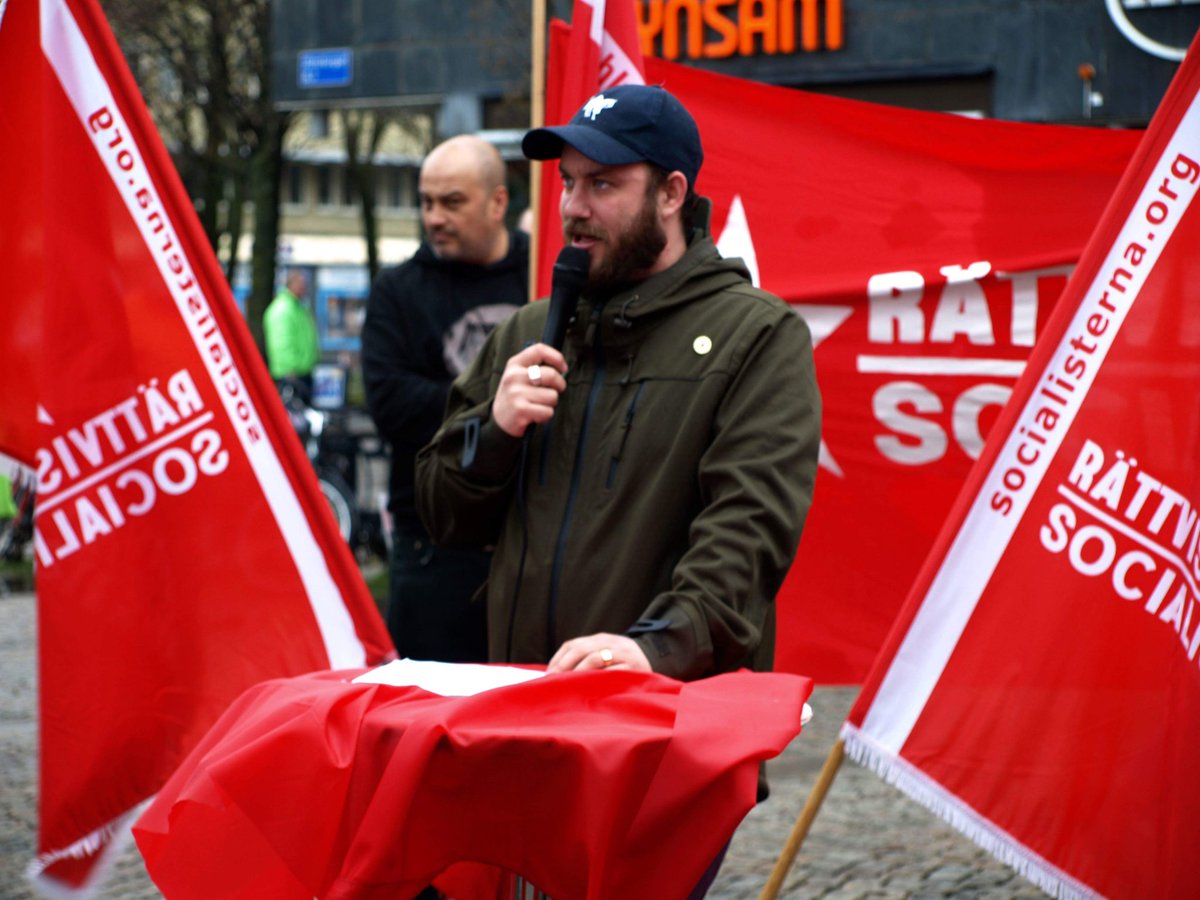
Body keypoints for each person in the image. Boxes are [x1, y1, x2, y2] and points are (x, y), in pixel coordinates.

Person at [414, 84, 820, 684]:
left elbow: (747, 539)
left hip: (667, 732)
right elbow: (444, 517)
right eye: (568, 182)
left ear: (671, 194)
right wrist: (494, 433)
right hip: (526, 719)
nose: (574, 206)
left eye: (602, 183)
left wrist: (653, 650)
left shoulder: (757, 336)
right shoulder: (528, 331)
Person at [362, 134, 528, 663]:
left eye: (452, 201)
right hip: (431, 551)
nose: (434, 217)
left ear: (498, 202)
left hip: (532, 547)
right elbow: (391, 405)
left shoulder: (547, 270)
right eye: (426, 202)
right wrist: (501, 410)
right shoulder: (399, 291)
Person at [264, 268, 320, 401]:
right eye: (302, 284)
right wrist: (289, 369)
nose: (305, 288)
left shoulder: (298, 307)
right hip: (291, 375)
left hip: (302, 372)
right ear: (292, 285)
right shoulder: (283, 310)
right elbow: (282, 342)